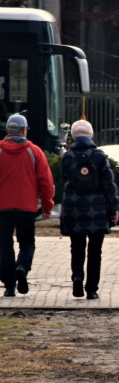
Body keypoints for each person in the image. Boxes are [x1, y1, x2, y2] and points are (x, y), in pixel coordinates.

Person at [59, 120, 119, 300]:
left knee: (76, 247)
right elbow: (109, 184)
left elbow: (64, 178)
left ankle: (77, 277)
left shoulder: (68, 157)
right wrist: (114, 207)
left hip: (74, 208)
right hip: (97, 210)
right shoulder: (100, 156)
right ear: (91, 135)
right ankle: (92, 289)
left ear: (74, 136)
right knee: (95, 250)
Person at [0, 113, 54, 297]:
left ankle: (9, 285)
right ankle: (22, 266)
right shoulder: (34, 152)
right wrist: (47, 205)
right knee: (27, 243)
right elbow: (46, 181)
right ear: (24, 130)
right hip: (27, 206)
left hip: (2, 207)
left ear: (7, 130)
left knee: (4, 244)